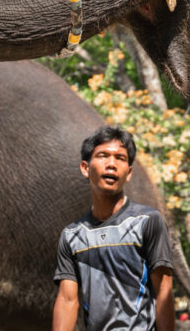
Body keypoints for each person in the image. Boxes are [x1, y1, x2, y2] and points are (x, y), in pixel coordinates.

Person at [52, 125, 175, 331]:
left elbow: (164, 290)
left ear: (128, 173)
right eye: (103, 156)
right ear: (85, 168)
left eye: (120, 158)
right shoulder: (72, 236)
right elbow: (67, 300)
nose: (112, 164)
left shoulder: (148, 221)